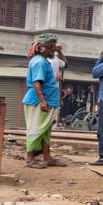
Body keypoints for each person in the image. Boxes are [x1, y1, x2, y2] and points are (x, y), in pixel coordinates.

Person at [23, 34, 63, 167]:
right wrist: (42, 101)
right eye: (51, 47)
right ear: (41, 48)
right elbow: (36, 83)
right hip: (38, 101)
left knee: (45, 131)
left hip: (48, 101)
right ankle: (30, 158)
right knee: (35, 128)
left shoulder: (43, 61)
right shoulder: (39, 62)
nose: (53, 50)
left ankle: (47, 157)